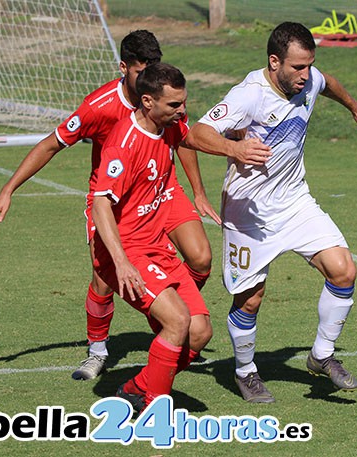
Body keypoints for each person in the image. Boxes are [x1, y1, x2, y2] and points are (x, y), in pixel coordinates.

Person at [0, 30, 218, 381]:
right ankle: (97, 350)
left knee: (201, 257)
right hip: (115, 200)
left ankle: (170, 318)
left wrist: (198, 191)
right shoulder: (99, 107)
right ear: (124, 67)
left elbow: (181, 136)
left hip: (161, 188)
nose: (149, 78)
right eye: (141, 71)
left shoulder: (164, 94)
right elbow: (51, 144)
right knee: (105, 279)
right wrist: (9, 188)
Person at [184, 22, 357, 403]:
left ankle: (322, 356)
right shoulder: (248, 95)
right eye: (297, 68)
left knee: (344, 270)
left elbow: (328, 82)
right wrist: (234, 149)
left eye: (309, 66)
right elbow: (195, 133)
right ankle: (244, 371)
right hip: (248, 212)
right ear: (274, 62)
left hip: (294, 201)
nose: (307, 76)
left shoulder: (308, 79)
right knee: (250, 299)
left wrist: (356, 107)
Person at [92, 62, 211, 411]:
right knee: (177, 320)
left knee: (200, 332)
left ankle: (137, 385)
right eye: (174, 105)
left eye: (183, 102)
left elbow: (197, 135)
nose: (182, 110)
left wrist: (235, 150)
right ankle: (155, 407)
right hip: (126, 252)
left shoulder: (166, 128)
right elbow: (100, 206)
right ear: (147, 101)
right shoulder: (124, 144)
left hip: (157, 247)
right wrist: (122, 263)